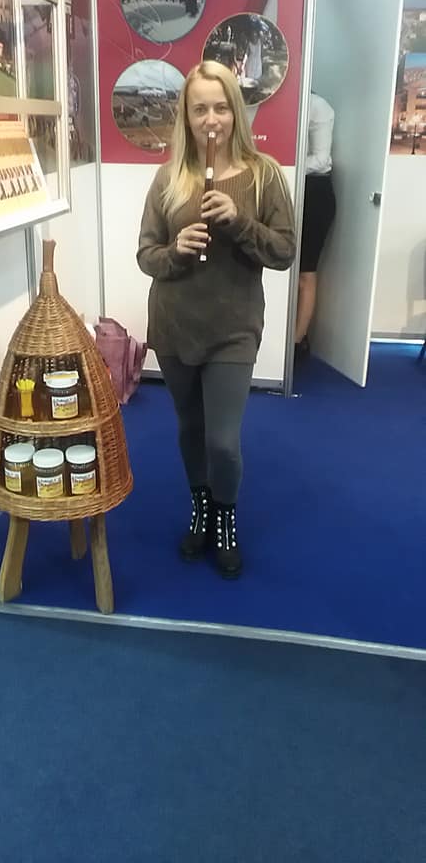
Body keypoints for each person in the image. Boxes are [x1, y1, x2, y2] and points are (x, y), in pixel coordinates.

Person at [137, 61, 296, 579]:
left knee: (223, 441)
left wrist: (240, 221)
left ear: (236, 112)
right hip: (175, 323)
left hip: (233, 327)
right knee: (190, 427)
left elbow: (285, 252)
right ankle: (200, 506)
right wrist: (176, 250)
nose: (211, 119)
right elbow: (146, 255)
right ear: (186, 115)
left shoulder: (264, 174)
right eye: (200, 108)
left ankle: (225, 515)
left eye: (221, 108)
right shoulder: (169, 177)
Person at [295, 92, 336, 359]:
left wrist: (285, 165)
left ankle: (297, 341)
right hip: (286, 188)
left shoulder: (318, 105)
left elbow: (321, 159)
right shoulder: (270, 103)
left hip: (314, 192)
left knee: (305, 272)